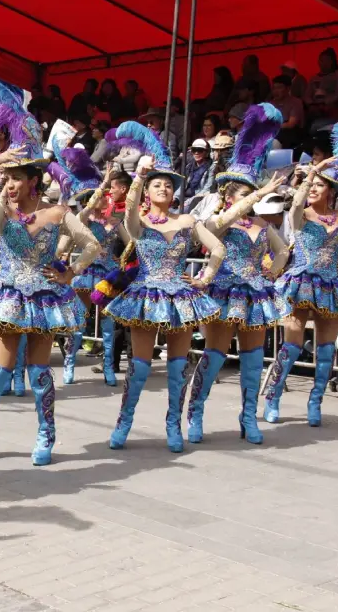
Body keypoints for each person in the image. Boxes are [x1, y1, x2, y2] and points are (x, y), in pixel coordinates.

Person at [0, 80, 100, 466]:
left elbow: (92, 245)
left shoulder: (57, 214)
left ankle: (46, 434)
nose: (9, 186)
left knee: (40, 372)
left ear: (33, 182)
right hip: (8, 295)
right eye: (6, 180)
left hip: (44, 297)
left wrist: (71, 271)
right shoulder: (2, 212)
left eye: (14, 180)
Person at [102, 122, 225, 453]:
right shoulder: (139, 223)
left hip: (181, 297)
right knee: (140, 367)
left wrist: (204, 278)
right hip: (146, 294)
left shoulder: (187, 221)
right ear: (148, 190)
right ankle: (124, 423)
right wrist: (139, 176)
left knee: (176, 368)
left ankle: (173, 424)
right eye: (157, 185)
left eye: (168, 186)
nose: (163, 190)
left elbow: (218, 249)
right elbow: (128, 214)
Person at [184, 104, 290, 445]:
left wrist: (272, 273)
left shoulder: (261, 224)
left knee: (253, 359)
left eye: (251, 195)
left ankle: (248, 416)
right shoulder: (218, 221)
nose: (251, 202)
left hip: (255, 294)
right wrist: (256, 195)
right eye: (243, 195)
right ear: (228, 195)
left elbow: (285, 250)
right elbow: (215, 225)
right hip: (224, 292)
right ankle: (196, 411)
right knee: (214, 356)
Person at [261, 121, 338, 427]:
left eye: (319, 186)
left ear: (332, 190)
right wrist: (310, 173)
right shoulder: (301, 214)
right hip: (300, 282)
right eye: (310, 186)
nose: (312, 190)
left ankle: (315, 403)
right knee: (292, 343)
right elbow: (295, 205)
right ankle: (273, 397)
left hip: (330, 285)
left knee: (326, 351)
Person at [52, 157, 129, 387]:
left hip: (108, 274)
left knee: (107, 322)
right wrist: (104, 183)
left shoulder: (116, 221)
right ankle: (70, 365)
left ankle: (108, 367)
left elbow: (130, 244)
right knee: (79, 321)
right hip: (86, 273)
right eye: (92, 197)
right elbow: (85, 211)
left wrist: (123, 260)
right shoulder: (84, 219)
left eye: (99, 196)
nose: (97, 200)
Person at [271, 75, 305, 148]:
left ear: (288, 88)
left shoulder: (296, 102)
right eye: (274, 88)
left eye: (279, 87)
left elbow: (291, 124)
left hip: (291, 133)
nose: (276, 91)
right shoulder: (270, 103)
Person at [182, 139, 212, 205]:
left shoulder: (211, 168)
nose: (196, 153)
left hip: (197, 201)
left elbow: (206, 190)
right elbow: (181, 185)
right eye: (194, 150)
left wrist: (188, 202)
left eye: (200, 150)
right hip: (183, 198)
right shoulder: (189, 166)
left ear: (207, 152)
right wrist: (176, 199)